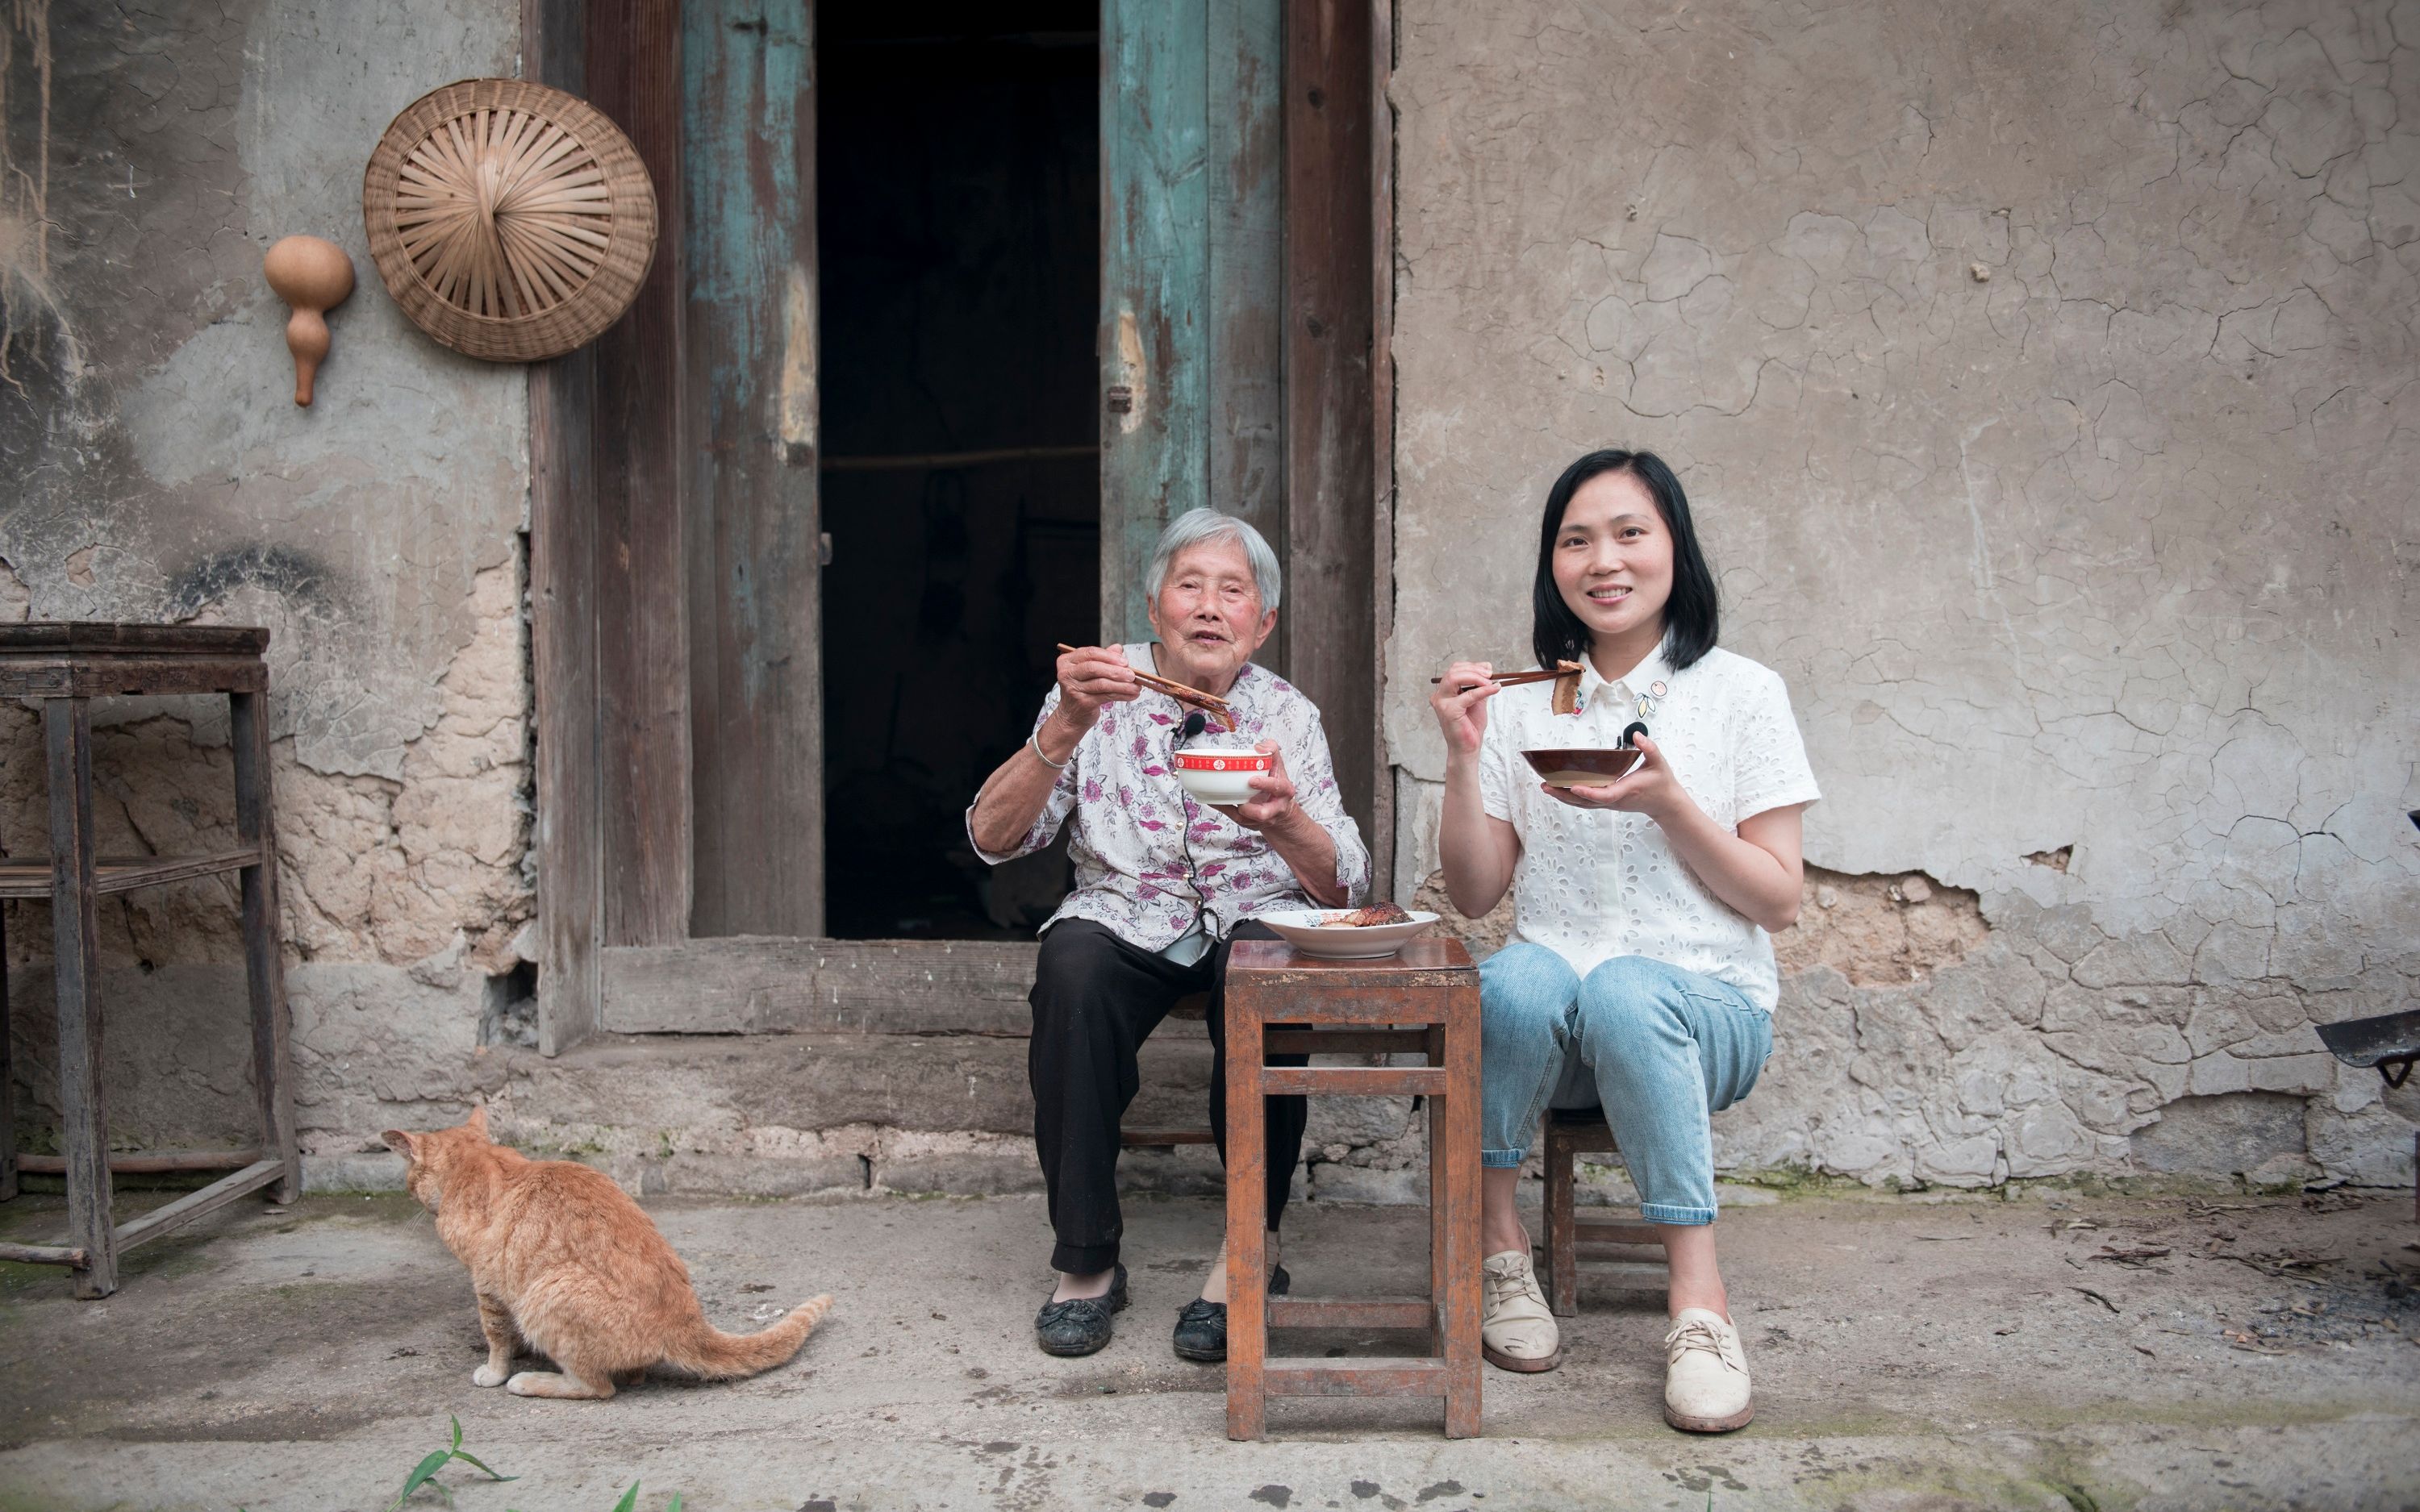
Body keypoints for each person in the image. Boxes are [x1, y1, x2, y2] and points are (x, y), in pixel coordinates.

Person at [1428, 448, 1819, 1433]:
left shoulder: (1744, 694)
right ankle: (1499, 1249)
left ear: (1675, 550)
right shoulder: (1526, 703)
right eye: (1575, 540)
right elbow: (1477, 894)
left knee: (1628, 990)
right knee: (1510, 976)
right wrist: (1464, 760)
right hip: (1555, 1036)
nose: (1604, 560)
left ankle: (1699, 1304)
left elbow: (1778, 902)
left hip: (1705, 1016)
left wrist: (1673, 805)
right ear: (1552, 564)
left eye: (1630, 533)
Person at [968, 507, 1371, 1361]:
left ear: (1263, 624)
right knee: (1071, 963)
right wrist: (1064, 728)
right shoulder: (1098, 692)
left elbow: (1346, 883)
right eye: (1190, 586)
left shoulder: (1286, 715)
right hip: (1126, 912)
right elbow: (995, 840)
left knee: (1265, 967)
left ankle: (1247, 1253)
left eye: (1234, 592)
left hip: (1247, 917)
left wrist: (1284, 821)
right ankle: (1086, 1262)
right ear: (1155, 610)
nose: (1210, 607)